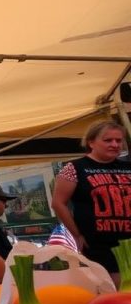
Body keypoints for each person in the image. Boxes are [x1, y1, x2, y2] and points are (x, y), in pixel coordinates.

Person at [52, 120, 131, 283]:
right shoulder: (75, 168)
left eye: (119, 140)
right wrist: (77, 234)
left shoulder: (128, 167)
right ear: (91, 142)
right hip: (98, 243)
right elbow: (58, 203)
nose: (115, 144)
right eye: (108, 140)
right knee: (115, 288)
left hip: (128, 238)